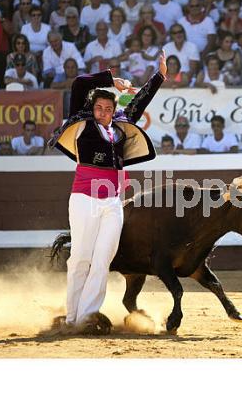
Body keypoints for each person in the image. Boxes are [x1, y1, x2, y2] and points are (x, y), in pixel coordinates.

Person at [49, 53, 167, 333]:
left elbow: (140, 102)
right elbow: (79, 84)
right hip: (84, 199)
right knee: (80, 257)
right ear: (93, 108)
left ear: (114, 111)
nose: (103, 113)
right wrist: (109, 81)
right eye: (99, 108)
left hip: (112, 202)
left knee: (102, 259)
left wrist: (159, 76)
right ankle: (72, 317)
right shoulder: (82, 121)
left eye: (108, 109)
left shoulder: (119, 128)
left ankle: (88, 317)